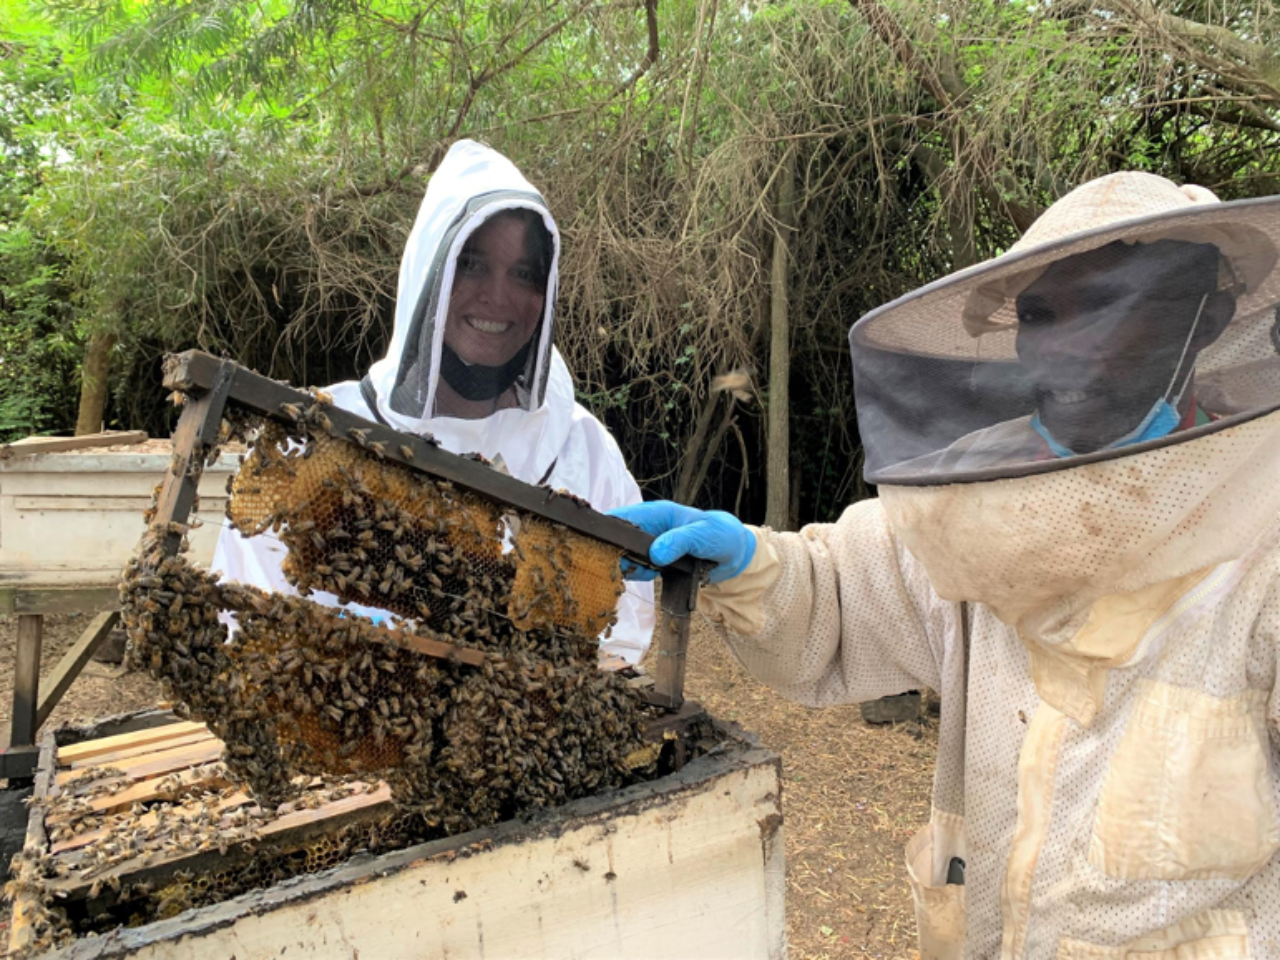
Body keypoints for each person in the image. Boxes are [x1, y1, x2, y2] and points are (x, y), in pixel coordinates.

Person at [614, 172, 1280, 959]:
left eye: (1105, 306)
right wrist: (748, 562)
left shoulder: (1263, 529)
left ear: (1203, 319)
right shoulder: (972, 497)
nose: (1060, 344)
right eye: (1039, 313)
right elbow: (839, 592)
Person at [215, 139, 654, 663]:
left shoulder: (584, 452)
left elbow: (622, 635)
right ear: (429, 274)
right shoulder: (316, 440)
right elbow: (246, 623)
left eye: (524, 273)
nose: (498, 295)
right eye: (470, 264)